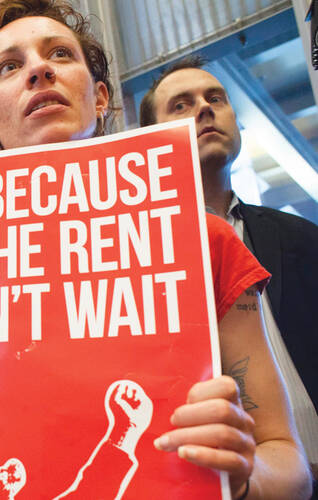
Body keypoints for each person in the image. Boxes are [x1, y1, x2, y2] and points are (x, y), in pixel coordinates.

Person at [0, 1, 313, 499]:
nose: (39, 70)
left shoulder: (204, 240)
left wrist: (244, 477)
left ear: (99, 98)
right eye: (9, 66)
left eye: (60, 55)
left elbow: (287, 462)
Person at [139, 55, 318, 483]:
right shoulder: (141, 257)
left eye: (214, 97)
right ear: (151, 138)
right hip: (220, 482)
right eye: (180, 105)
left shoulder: (303, 238)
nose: (204, 108)